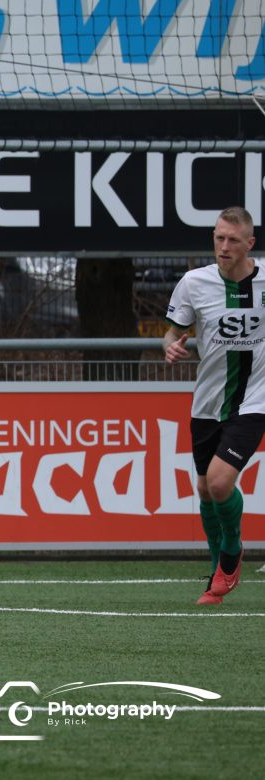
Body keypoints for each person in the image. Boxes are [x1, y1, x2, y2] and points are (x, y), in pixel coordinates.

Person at [164, 205, 261, 605]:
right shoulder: (194, 283)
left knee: (221, 482)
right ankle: (217, 570)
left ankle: (232, 553)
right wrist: (169, 345)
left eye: (232, 240)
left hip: (256, 397)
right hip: (208, 402)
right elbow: (173, 330)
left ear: (249, 244)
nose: (223, 246)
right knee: (205, 489)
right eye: (218, 238)